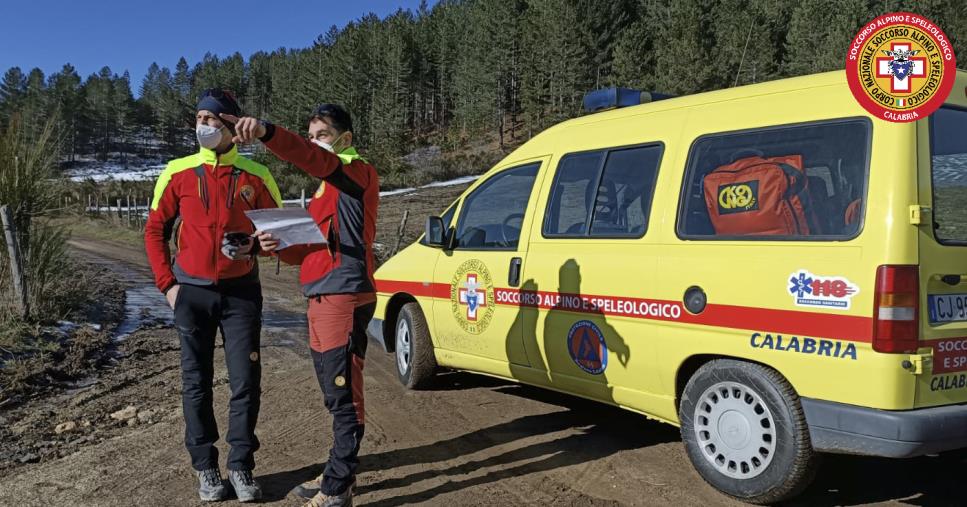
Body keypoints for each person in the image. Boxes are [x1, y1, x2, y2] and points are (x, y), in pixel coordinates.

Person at [221, 104, 378, 507]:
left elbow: (310, 157)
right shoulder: (326, 190)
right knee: (333, 390)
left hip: (342, 294)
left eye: (321, 133)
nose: (313, 141)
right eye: (311, 134)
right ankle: (341, 473)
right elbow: (314, 249)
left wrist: (268, 132)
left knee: (343, 393)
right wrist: (273, 246)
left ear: (345, 138)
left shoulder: (353, 172)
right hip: (322, 292)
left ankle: (337, 485)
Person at [144, 89, 283, 503]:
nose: (202, 125)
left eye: (211, 118)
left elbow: (279, 233)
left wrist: (256, 247)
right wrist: (167, 285)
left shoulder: (256, 175)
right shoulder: (178, 172)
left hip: (241, 293)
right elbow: (155, 231)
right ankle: (205, 468)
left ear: (229, 125)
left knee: (245, 381)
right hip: (192, 294)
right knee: (196, 382)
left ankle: (240, 466)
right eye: (199, 117)